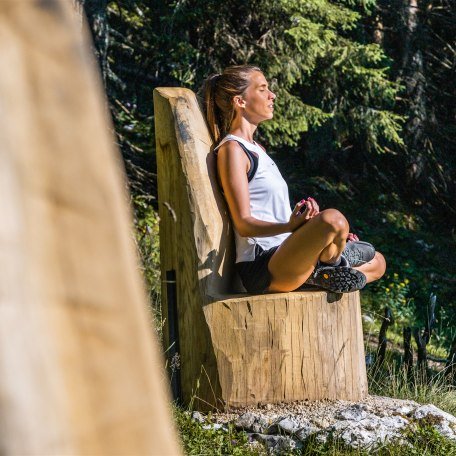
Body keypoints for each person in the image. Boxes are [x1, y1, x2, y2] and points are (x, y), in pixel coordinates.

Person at [202, 65, 386, 294]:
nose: (273, 95)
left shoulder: (257, 149)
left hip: (287, 253)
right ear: (240, 101)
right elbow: (243, 223)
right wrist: (291, 225)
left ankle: (328, 267)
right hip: (263, 265)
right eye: (263, 89)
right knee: (333, 220)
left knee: (378, 262)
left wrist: (306, 226)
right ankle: (334, 261)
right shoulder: (233, 150)